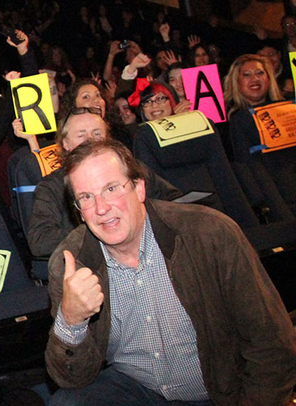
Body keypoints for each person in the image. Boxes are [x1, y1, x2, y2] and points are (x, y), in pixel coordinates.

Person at [46, 139, 296, 405]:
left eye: (111, 188)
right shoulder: (71, 265)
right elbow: (72, 379)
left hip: (219, 392)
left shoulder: (210, 234)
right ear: (78, 212)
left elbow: (272, 346)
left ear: (139, 188)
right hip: (138, 389)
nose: (101, 208)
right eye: (86, 197)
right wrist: (71, 321)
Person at [27, 110, 180, 257]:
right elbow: (40, 240)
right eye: (81, 135)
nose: (90, 140)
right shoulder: (51, 186)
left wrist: (138, 225)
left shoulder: (130, 168)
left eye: (97, 134)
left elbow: (176, 202)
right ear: (65, 144)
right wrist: (102, 230)